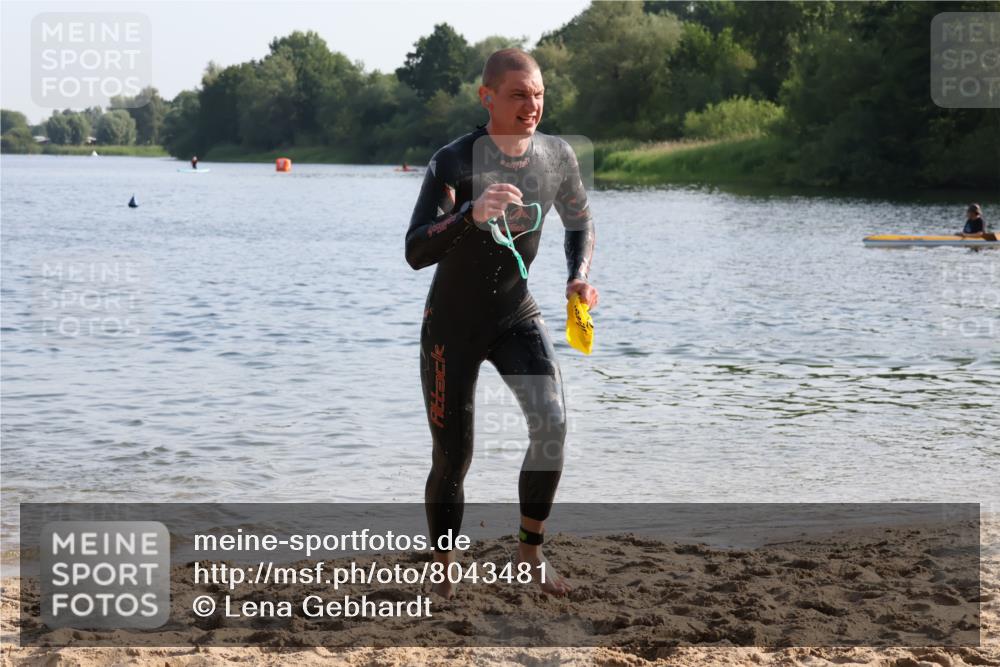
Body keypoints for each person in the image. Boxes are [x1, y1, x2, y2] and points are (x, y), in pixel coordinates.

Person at [405, 48, 597, 598]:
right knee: (453, 455)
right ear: (486, 96)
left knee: (553, 425)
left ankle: (530, 551)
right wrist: (470, 215)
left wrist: (577, 275)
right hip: (452, 325)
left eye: (537, 94)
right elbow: (416, 249)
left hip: (516, 313)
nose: (531, 105)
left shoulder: (557, 156)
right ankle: (444, 565)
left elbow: (580, 221)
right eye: (518, 94)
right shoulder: (454, 161)